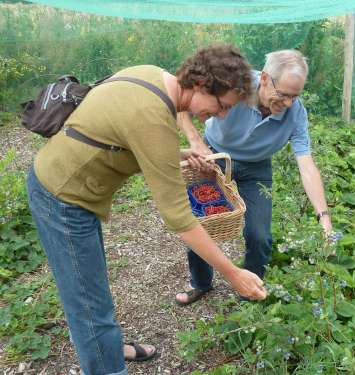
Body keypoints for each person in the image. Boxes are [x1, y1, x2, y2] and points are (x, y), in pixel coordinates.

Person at [26, 44, 266, 375]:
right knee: (87, 302)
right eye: (221, 105)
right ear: (200, 84)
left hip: (65, 185)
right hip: (62, 199)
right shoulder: (154, 118)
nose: (222, 114)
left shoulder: (152, 75)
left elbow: (122, 132)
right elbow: (179, 217)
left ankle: (106, 345)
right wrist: (232, 272)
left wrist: (174, 154)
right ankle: (105, 362)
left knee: (89, 288)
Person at [175, 49, 332, 305]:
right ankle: (201, 283)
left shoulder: (295, 113)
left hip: (257, 168)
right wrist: (194, 140)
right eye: (283, 95)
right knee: (203, 224)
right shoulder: (235, 82)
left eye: (295, 96)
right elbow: (181, 96)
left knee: (260, 236)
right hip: (213, 158)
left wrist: (324, 219)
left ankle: (250, 292)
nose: (289, 103)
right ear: (266, 79)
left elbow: (306, 165)